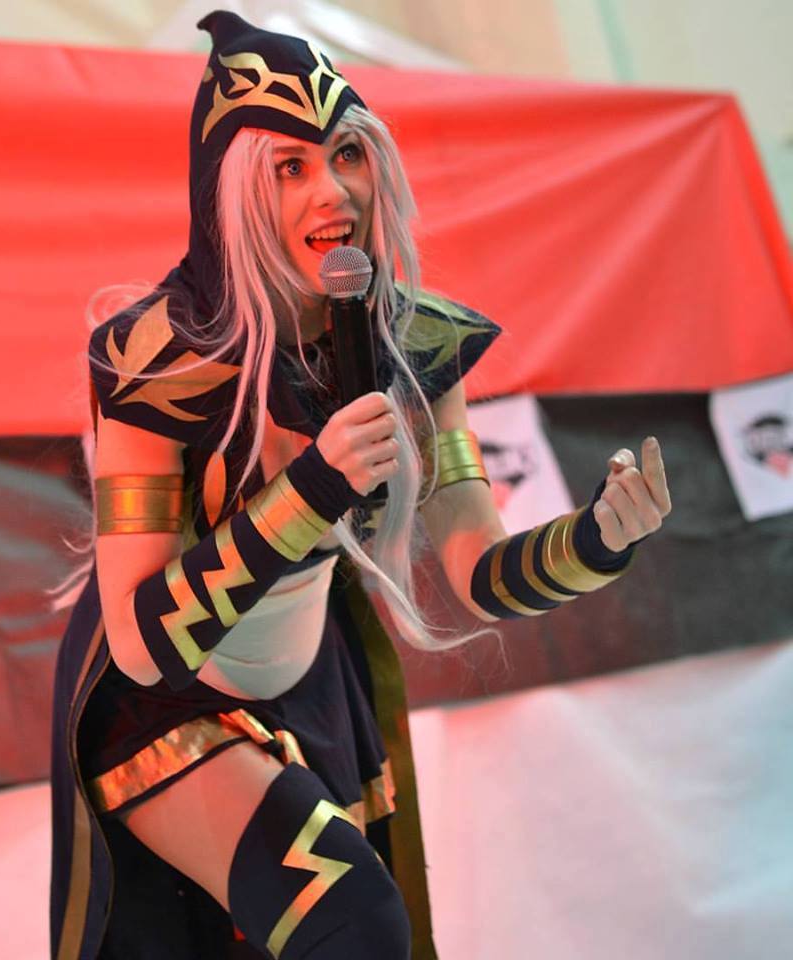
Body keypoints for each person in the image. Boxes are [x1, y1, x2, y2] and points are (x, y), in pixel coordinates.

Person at [49, 11, 672, 960]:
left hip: (309, 677)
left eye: (346, 154)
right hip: (165, 702)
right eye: (289, 168)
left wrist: (596, 542)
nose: (332, 191)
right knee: (355, 923)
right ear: (231, 196)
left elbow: (478, 573)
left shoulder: (416, 341)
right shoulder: (157, 361)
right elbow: (139, 645)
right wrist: (311, 489)